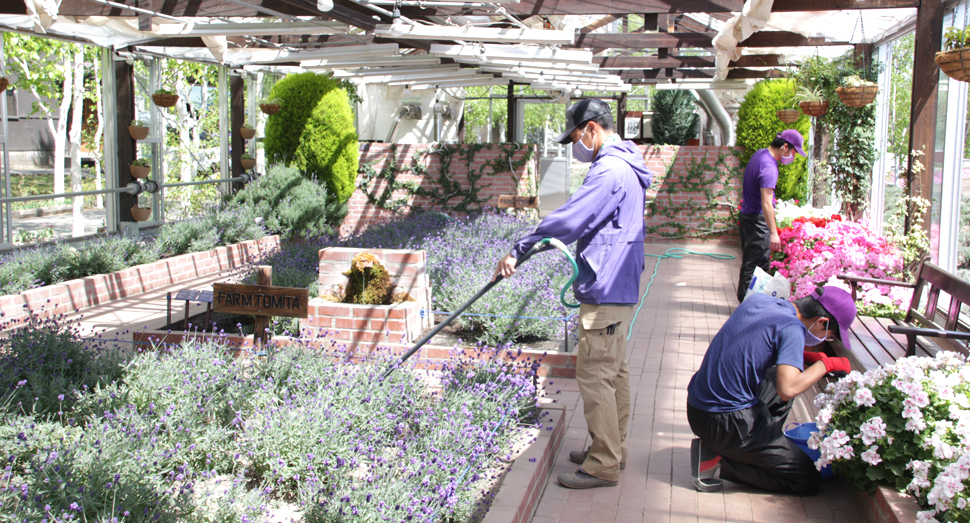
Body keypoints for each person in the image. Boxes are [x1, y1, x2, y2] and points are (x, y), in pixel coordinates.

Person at [492, 98, 653, 489]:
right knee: (614, 372)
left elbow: (572, 217)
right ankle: (611, 446)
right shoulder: (626, 163)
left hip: (607, 285)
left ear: (593, 129)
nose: (576, 145)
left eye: (577, 136)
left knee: (596, 373)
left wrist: (522, 247)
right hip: (619, 281)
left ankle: (603, 463)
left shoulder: (609, 170)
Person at [685, 286, 857, 495]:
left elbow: (757, 344)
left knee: (777, 376)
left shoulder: (759, 301)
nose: (825, 339)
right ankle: (721, 459)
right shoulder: (792, 328)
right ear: (822, 321)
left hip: (698, 408)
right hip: (727, 424)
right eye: (829, 335)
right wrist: (826, 366)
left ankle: (756, 448)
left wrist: (807, 358)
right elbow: (788, 389)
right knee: (807, 478)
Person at [737, 129, 807, 302]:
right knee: (756, 267)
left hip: (747, 217)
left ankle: (744, 303)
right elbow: (767, 203)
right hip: (757, 221)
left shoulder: (760, 155)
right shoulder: (769, 167)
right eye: (793, 151)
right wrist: (774, 232)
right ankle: (747, 307)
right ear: (785, 147)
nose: (793, 156)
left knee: (749, 263)